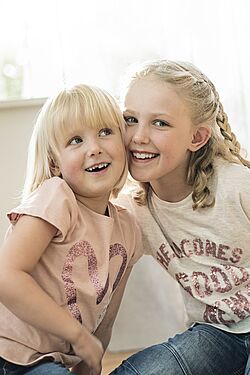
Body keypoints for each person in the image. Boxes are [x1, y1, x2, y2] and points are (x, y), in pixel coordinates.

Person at [110, 59, 250, 374]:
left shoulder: (237, 185)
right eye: (130, 119)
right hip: (215, 334)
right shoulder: (135, 209)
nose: (138, 137)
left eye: (160, 123)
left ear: (197, 137)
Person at [0, 83, 142, 375]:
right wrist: (78, 337)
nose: (95, 148)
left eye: (105, 132)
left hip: (52, 362)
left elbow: (106, 315)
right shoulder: (56, 196)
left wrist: (92, 357)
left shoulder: (128, 228)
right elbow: (6, 276)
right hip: (9, 354)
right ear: (55, 164)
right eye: (76, 140)